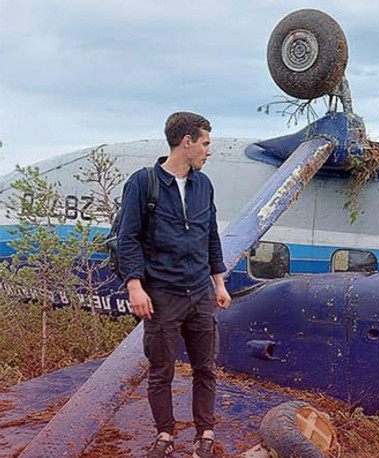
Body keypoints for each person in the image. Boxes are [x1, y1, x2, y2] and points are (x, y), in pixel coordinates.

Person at [117, 112, 231, 458]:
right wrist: (134, 286)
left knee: (205, 369)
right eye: (206, 143)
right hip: (162, 295)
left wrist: (219, 283)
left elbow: (210, 236)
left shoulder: (204, 185)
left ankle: (204, 435)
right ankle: (165, 436)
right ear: (187, 143)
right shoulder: (143, 183)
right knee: (161, 372)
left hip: (199, 293)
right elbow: (128, 238)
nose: (208, 151)